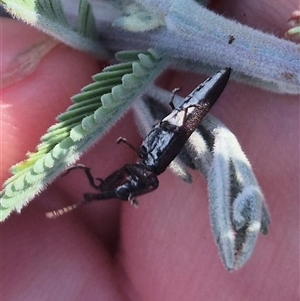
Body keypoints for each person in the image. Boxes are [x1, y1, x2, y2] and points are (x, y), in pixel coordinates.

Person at [1, 1, 298, 299]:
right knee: (189, 112)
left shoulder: (144, 167)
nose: (119, 182)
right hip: (177, 124)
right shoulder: (149, 169)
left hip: (175, 121)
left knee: (187, 112)